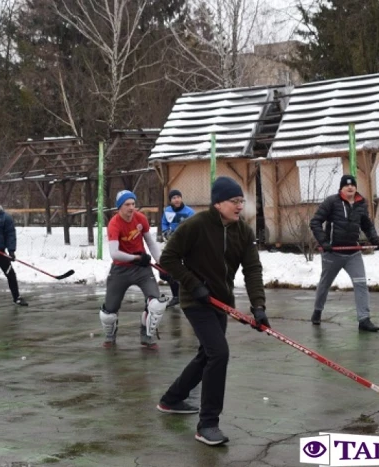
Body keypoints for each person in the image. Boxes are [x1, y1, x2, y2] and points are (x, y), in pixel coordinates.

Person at [156, 176, 269, 446]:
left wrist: (259, 306)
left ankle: (171, 399)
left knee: (207, 354)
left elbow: (252, 270)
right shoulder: (195, 226)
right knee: (219, 354)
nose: (240, 206)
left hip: (221, 301)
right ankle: (207, 424)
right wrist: (194, 286)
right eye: (235, 201)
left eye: (242, 201)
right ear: (218, 203)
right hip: (196, 302)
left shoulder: (243, 232)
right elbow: (168, 259)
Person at [309, 175, 379, 332]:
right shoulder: (332, 202)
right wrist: (324, 242)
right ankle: (317, 311)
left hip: (353, 254)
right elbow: (315, 222)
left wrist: (375, 240)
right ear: (341, 188)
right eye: (346, 186)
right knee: (325, 284)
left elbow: (367, 225)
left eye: (352, 185)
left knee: (361, 283)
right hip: (333, 253)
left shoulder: (361, 204)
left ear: (355, 188)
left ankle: (364, 319)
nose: (350, 188)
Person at [99, 190, 169, 349]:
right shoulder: (114, 224)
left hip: (142, 270)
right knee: (108, 312)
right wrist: (137, 258)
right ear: (119, 208)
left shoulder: (140, 218)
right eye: (127, 205)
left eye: (133, 204)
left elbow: (150, 243)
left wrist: (160, 263)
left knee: (156, 304)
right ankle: (110, 336)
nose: (131, 208)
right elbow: (114, 253)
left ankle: (147, 336)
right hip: (121, 269)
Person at [160, 189, 195, 308]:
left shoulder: (189, 212)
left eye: (178, 197)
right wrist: (166, 232)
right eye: (174, 198)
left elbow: (194, 227)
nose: (177, 199)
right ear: (170, 200)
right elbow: (164, 223)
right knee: (165, 271)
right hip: (172, 244)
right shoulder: (167, 211)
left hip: (186, 245)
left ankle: (191, 293)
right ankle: (176, 296)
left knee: (188, 269)